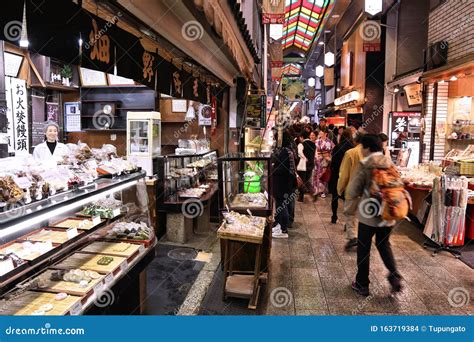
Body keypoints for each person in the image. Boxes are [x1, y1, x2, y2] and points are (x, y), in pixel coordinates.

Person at [346, 134, 403, 296]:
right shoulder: (389, 162)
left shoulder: (365, 164)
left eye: (362, 147)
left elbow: (352, 190)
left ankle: (362, 284)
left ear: (368, 148)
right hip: (388, 213)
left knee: (364, 248)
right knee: (384, 244)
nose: (361, 150)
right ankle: (394, 277)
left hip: (368, 215)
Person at [337, 129, 365, 250]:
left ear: (355, 140)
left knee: (350, 214)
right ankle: (362, 237)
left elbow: (344, 174)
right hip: (367, 191)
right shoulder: (371, 153)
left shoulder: (351, 153)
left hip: (353, 189)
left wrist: (340, 188)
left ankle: (353, 237)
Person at [271, 130, 297, 239]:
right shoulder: (289, 150)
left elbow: (283, 169)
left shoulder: (285, 152)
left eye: (276, 139)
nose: (275, 141)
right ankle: (279, 225)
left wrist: (272, 169)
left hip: (283, 183)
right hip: (287, 183)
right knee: (281, 204)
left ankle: (283, 229)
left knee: (282, 205)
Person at [328, 129, 354, 224]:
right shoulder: (353, 148)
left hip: (337, 174)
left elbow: (333, 162)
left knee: (335, 197)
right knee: (348, 198)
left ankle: (334, 216)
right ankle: (348, 221)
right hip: (349, 175)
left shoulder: (337, 147)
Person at [313, 130, 334, 199]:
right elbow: (315, 150)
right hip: (317, 160)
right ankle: (316, 190)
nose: (320, 134)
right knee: (317, 175)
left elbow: (332, 150)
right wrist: (316, 157)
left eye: (321, 133)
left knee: (323, 176)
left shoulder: (329, 142)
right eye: (319, 133)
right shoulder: (317, 141)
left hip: (325, 161)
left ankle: (323, 192)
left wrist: (328, 157)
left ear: (326, 134)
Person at [296, 130, 316, 202]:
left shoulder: (301, 144)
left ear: (302, 137)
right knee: (307, 181)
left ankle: (301, 197)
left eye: (300, 137)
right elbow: (315, 154)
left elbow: (299, 152)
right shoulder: (313, 144)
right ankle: (312, 192)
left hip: (302, 166)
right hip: (310, 165)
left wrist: (304, 158)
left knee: (301, 181)